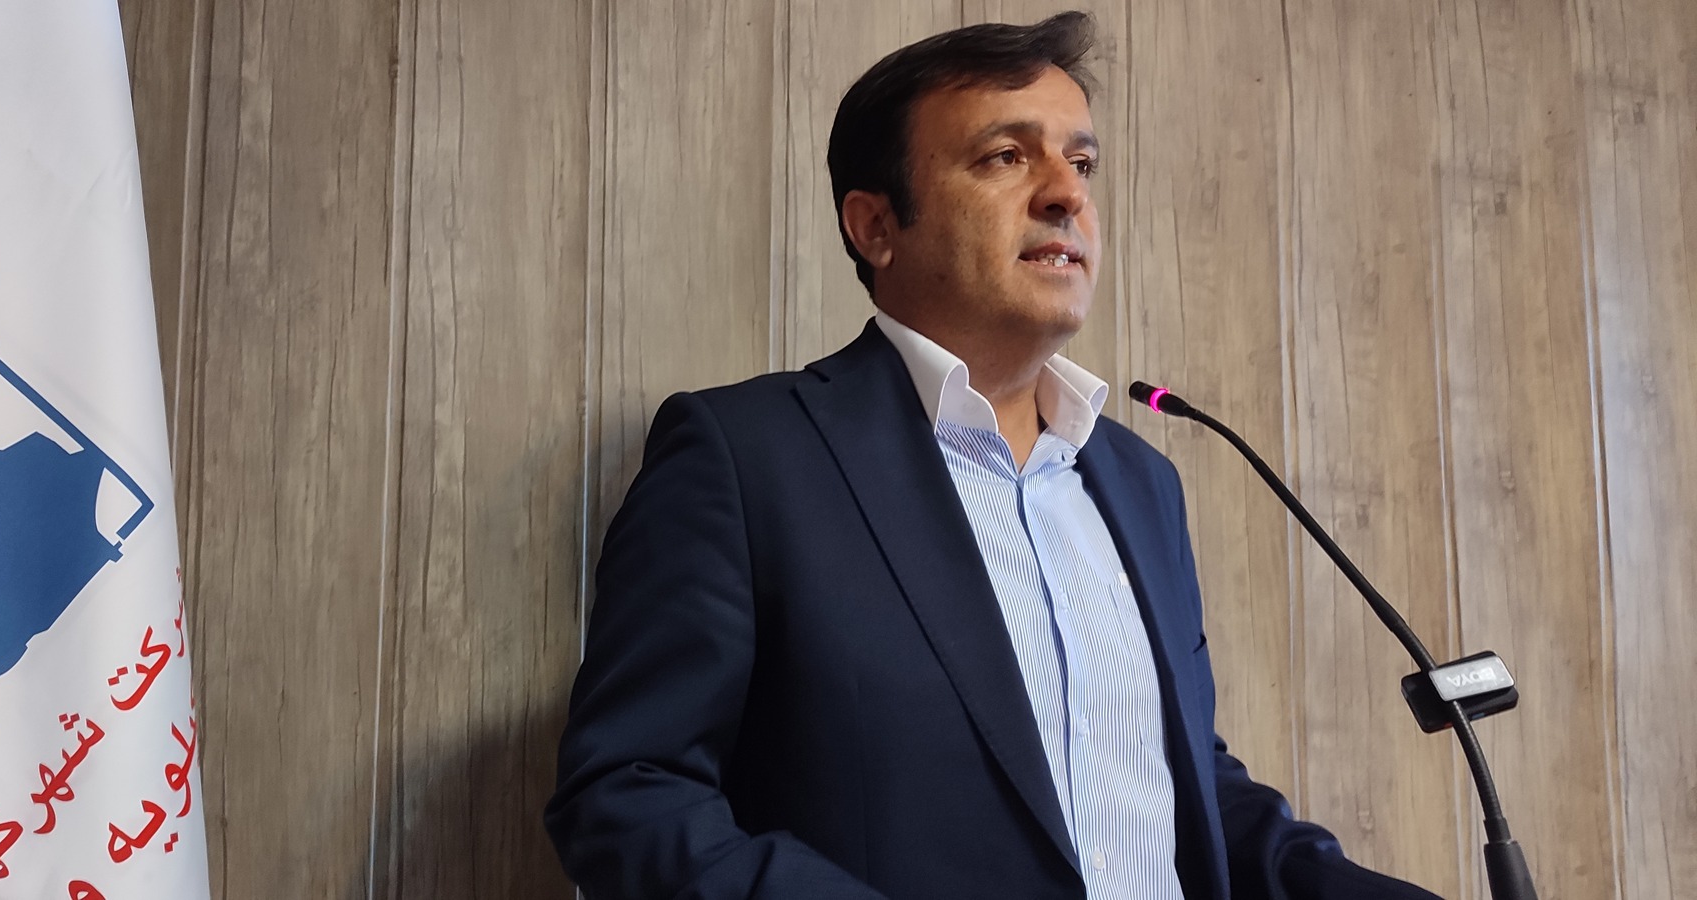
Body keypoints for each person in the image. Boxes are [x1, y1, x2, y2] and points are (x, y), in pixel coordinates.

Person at [546, 12, 1441, 900]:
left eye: (1081, 163)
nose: (1065, 195)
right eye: (1006, 157)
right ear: (875, 225)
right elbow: (629, 793)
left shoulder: (1141, 483)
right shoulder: (748, 459)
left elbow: (1185, 790)